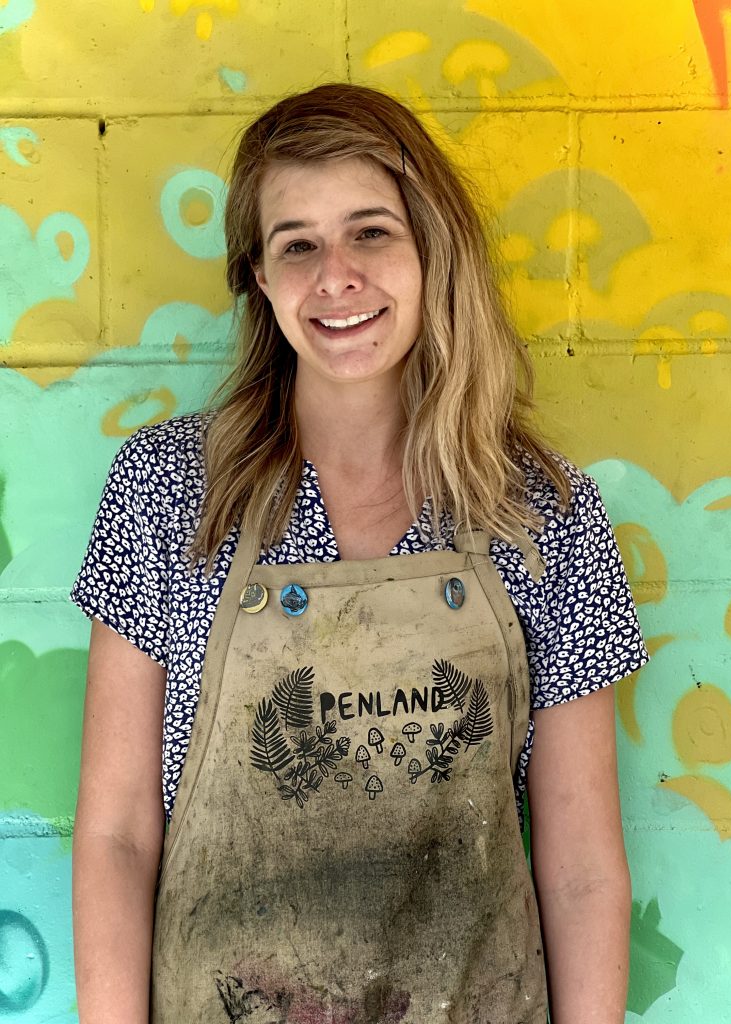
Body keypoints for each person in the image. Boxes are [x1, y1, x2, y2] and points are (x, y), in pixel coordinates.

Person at [71, 83, 648, 1024]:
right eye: (297, 243)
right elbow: (116, 834)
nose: (335, 275)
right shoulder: (167, 488)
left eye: (371, 232)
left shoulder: (546, 515)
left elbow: (583, 871)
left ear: (433, 250)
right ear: (259, 278)